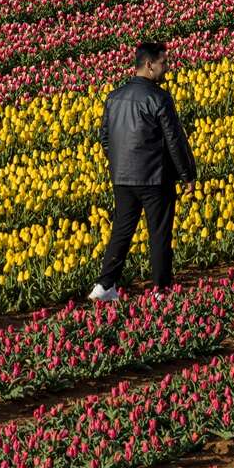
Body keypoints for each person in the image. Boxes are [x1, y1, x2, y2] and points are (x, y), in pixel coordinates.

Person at [88, 42, 196, 302]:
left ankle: (104, 286)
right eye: (163, 63)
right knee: (159, 232)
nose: (166, 68)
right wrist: (187, 174)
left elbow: (104, 137)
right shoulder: (159, 98)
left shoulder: (114, 96)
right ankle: (161, 289)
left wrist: (119, 163)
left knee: (122, 230)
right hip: (155, 177)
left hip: (123, 177)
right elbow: (174, 140)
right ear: (149, 65)